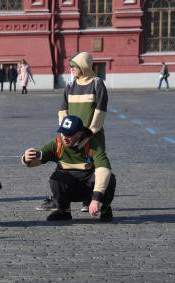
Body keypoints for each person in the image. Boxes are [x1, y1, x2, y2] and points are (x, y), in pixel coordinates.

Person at [36, 51, 109, 213]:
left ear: (83, 66)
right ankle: (59, 199)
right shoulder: (70, 86)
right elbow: (63, 110)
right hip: (72, 133)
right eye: (70, 67)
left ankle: (89, 198)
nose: (71, 70)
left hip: (91, 134)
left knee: (92, 164)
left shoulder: (97, 83)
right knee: (66, 163)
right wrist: (66, 130)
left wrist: (89, 132)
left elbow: (100, 111)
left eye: (74, 67)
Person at [22, 115, 116, 222]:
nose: (64, 137)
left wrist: (96, 198)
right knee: (56, 178)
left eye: (69, 134)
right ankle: (63, 211)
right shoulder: (57, 144)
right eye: (62, 133)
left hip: (90, 189)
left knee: (109, 178)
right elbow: (39, 158)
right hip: (70, 189)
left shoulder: (92, 144)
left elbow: (104, 169)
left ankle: (105, 208)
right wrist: (27, 159)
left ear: (79, 134)